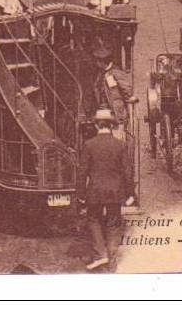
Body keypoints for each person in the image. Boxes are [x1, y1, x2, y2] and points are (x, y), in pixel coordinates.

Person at [77, 107, 134, 271]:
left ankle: (100, 254)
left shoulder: (89, 145)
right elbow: (127, 172)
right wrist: (130, 194)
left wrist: (81, 195)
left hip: (95, 191)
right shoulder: (120, 145)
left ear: (96, 125)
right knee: (114, 223)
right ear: (111, 126)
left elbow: (82, 172)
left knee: (93, 220)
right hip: (115, 191)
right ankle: (112, 260)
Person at [92, 47, 136, 127]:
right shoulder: (101, 74)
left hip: (116, 111)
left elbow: (127, 89)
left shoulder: (115, 72)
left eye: (97, 61)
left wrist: (125, 100)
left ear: (102, 62)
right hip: (104, 110)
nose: (96, 64)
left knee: (117, 134)